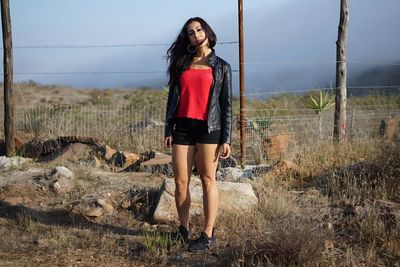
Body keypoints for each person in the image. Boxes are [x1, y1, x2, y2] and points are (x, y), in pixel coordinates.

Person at [164, 17, 232, 252]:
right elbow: (172, 97)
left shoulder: (222, 66)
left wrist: (226, 138)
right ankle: (183, 230)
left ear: (206, 31)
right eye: (190, 32)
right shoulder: (181, 62)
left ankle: (208, 234)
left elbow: (226, 104)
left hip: (209, 129)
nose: (195, 34)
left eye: (198, 29)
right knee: (180, 182)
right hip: (182, 127)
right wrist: (168, 127)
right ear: (188, 38)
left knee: (207, 179)